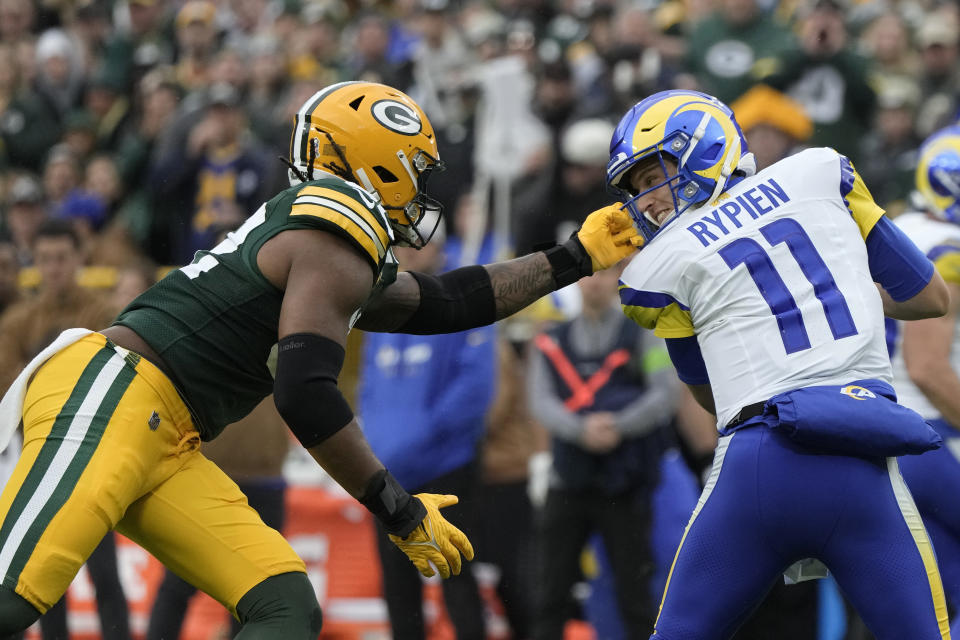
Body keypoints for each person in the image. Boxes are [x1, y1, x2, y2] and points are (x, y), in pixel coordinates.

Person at [0, 81, 640, 640]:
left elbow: (449, 301)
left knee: (282, 605)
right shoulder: (334, 238)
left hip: (167, 432)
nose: (419, 188)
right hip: (112, 397)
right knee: (10, 599)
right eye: (412, 168)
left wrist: (571, 259)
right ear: (376, 161)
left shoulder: (323, 240)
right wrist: (399, 508)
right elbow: (305, 392)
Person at [608, 89, 951, 639]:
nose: (647, 201)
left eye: (653, 177)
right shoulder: (820, 173)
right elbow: (931, 299)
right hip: (862, 460)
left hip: (758, 467)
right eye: (638, 189)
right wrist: (844, 288)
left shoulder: (657, 268)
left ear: (706, 149)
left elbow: (710, 398)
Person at [357, 216, 494, 640]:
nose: (409, 252)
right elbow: (369, 389)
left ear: (440, 246)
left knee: (457, 581)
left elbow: (473, 390)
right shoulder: (383, 304)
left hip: (444, 471)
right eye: (402, 245)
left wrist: (416, 441)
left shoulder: (461, 300)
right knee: (399, 591)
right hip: (389, 478)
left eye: (418, 243)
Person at [527, 258, 678, 639]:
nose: (594, 282)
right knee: (549, 594)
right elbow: (540, 400)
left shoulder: (643, 332)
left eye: (604, 273)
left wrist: (617, 427)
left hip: (623, 483)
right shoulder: (552, 339)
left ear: (618, 278)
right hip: (568, 480)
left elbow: (665, 394)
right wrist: (581, 431)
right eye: (586, 274)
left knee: (636, 594)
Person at [0, 220, 132, 640]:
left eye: (61, 258)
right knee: (45, 580)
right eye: (44, 259)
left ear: (79, 259)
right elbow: (8, 385)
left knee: (105, 575)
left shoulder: (102, 314)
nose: (53, 268)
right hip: (36, 467)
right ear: (33, 263)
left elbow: (107, 376)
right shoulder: (19, 320)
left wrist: (35, 380)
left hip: (92, 465)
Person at [889, 125, 960, 637]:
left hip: (899, 440)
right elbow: (928, 367)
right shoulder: (948, 248)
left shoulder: (903, 228)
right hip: (937, 440)